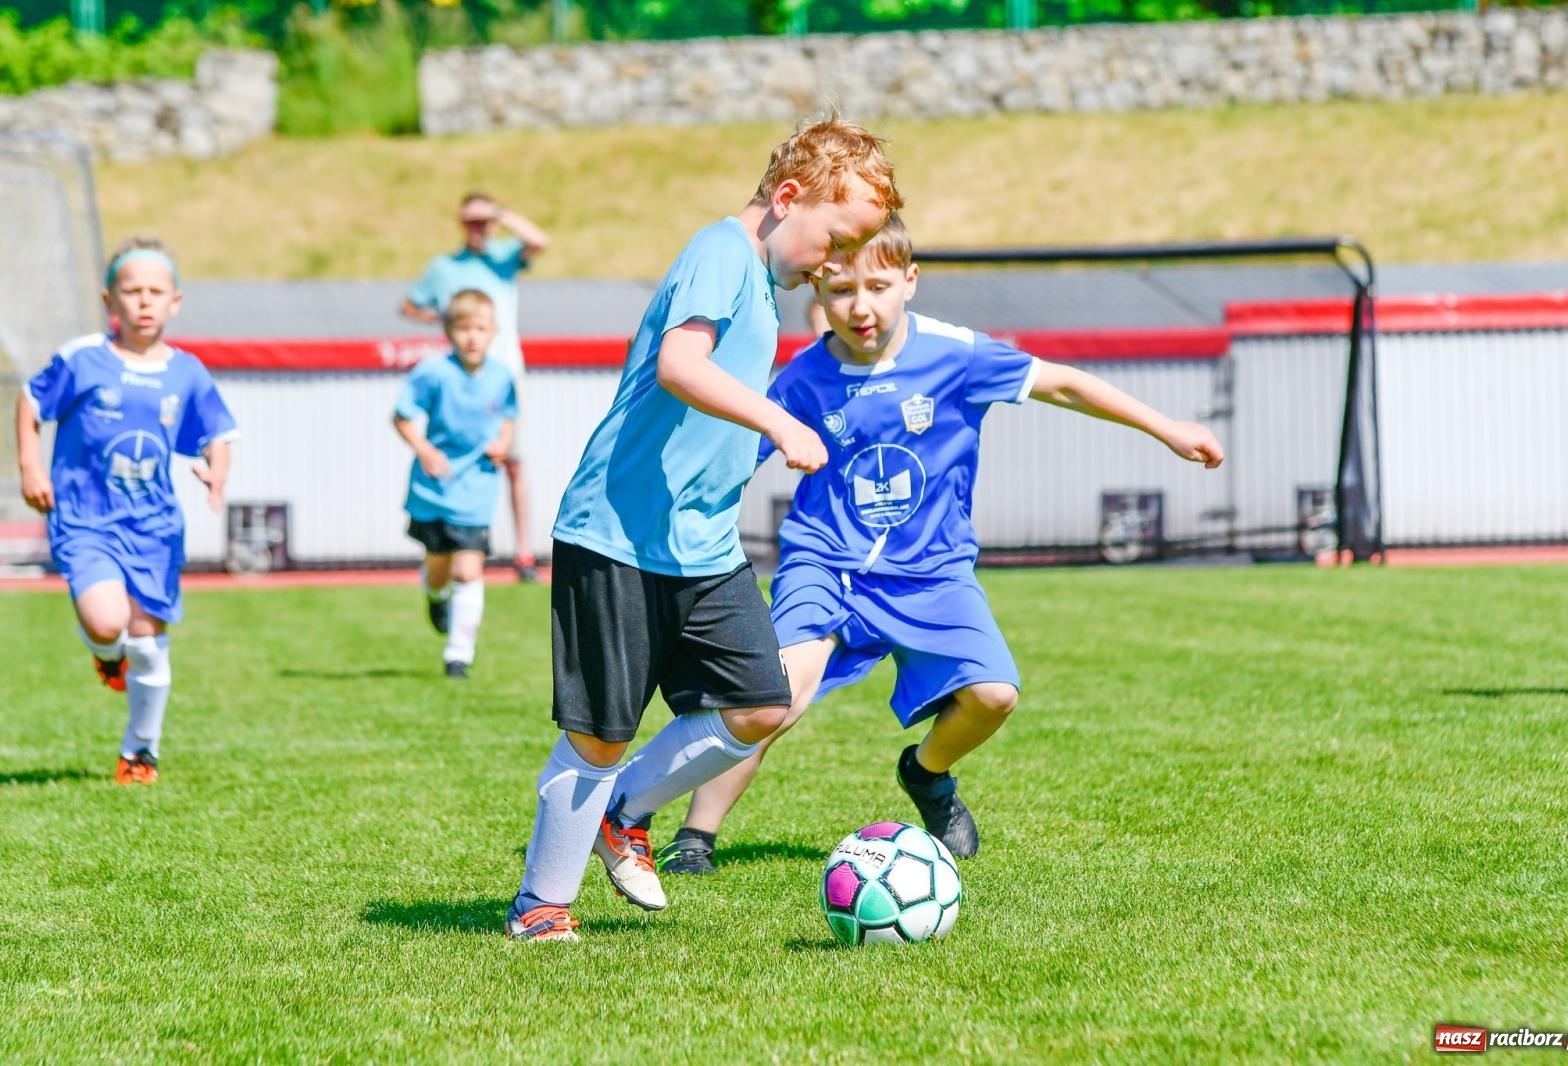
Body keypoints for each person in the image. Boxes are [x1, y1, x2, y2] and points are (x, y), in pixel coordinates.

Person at [656, 215, 1225, 874]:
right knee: (776, 694)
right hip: (826, 561)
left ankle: (926, 774)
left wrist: (1167, 428)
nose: (860, 306)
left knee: (994, 697)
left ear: (910, 281)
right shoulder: (803, 379)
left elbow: (1063, 383)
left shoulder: (956, 355)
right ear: (816, 293)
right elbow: (735, 455)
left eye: (877, 286)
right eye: (840, 291)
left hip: (932, 572)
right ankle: (695, 837)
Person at [503, 118, 902, 943]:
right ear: (788, 198)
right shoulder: (723, 250)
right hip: (617, 533)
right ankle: (540, 905)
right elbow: (679, 367)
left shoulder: (758, 286)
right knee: (599, 734)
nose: (832, 264)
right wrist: (782, 427)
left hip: (703, 546)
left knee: (761, 706)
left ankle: (623, 814)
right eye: (833, 241)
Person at [14, 236, 238, 785]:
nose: (143, 301)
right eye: (131, 290)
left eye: (155, 291)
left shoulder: (187, 372)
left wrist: (216, 470)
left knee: (146, 634)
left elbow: (219, 433)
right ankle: (104, 653)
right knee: (108, 621)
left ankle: (141, 752)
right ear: (109, 300)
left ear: (175, 302)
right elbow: (31, 400)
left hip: (154, 524)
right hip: (86, 517)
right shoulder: (83, 358)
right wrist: (30, 466)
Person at [401, 192, 549, 582]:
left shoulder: (503, 258)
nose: (478, 228)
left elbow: (540, 241)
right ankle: (446, 545)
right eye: (471, 221)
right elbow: (410, 306)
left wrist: (500, 214)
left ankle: (521, 552)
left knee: (510, 460)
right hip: (460, 378)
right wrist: (452, 322)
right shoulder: (445, 267)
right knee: (453, 459)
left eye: (484, 221)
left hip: (503, 375)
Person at [393, 289, 517, 680]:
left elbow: (508, 416)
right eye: (463, 329)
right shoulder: (432, 373)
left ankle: (458, 656)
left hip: (476, 489)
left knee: (467, 570)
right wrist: (424, 449)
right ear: (448, 331)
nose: (472, 337)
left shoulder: (502, 377)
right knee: (440, 568)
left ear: (493, 331)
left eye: (480, 328)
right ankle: (434, 595)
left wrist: (504, 442)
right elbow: (402, 416)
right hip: (434, 487)